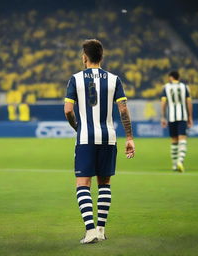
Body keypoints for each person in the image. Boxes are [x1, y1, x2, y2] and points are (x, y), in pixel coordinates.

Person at [64, 39, 135, 244]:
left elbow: (68, 110)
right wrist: (129, 137)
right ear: (101, 57)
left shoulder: (75, 79)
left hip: (86, 137)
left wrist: (77, 126)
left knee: (82, 184)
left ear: (84, 56)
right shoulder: (114, 79)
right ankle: (101, 229)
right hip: (108, 137)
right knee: (104, 184)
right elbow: (123, 110)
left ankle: (90, 231)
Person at [161, 71, 193, 172]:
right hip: (182, 116)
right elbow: (189, 102)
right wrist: (190, 116)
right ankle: (180, 161)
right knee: (182, 139)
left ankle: (175, 165)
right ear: (178, 77)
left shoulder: (166, 87)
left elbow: (163, 102)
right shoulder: (185, 87)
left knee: (174, 140)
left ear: (171, 77)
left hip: (171, 117)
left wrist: (163, 116)